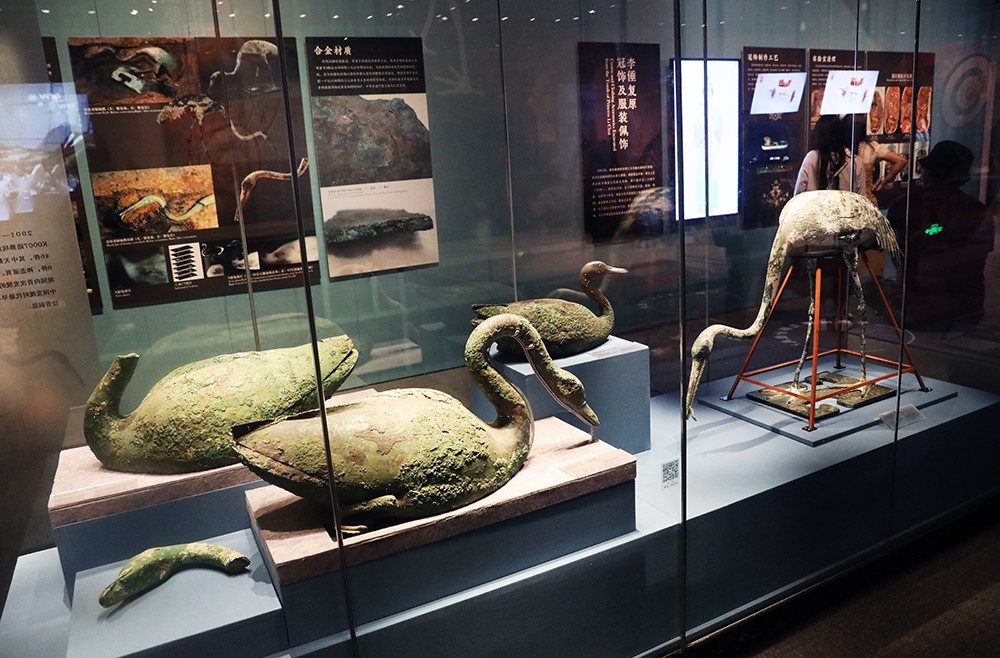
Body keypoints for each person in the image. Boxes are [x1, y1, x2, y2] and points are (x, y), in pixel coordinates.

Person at [887, 140, 995, 328]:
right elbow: (980, 257)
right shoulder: (978, 210)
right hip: (967, 313)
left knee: (868, 286)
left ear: (929, 172)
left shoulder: (903, 205)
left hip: (914, 311)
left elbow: (897, 256)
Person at [794, 114, 865, 196]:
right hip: (846, 204)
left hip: (815, 204)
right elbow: (861, 198)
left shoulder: (811, 158)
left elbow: (798, 195)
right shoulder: (856, 162)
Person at [846, 114, 908, 205]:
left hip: (847, 201)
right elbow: (901, 161)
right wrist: (882, 183)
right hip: (867, 201)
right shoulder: (871, 148)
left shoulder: (840, 151)